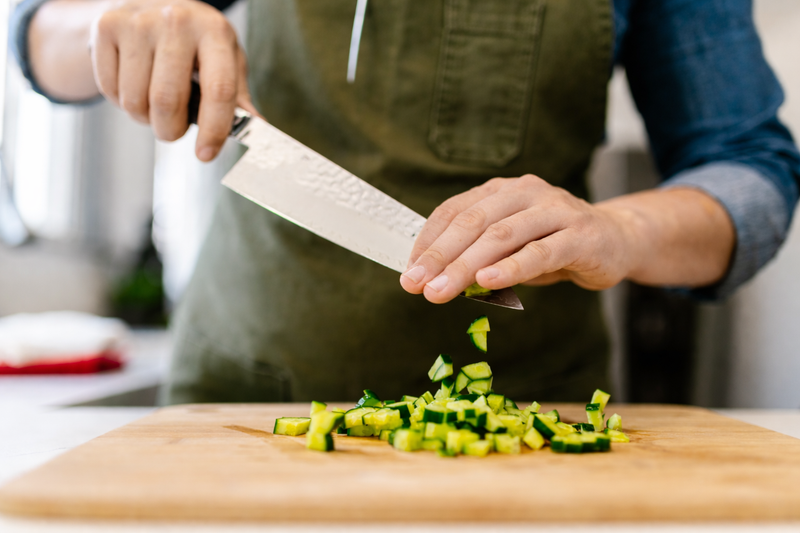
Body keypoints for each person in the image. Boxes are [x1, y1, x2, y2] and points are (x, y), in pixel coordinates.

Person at [11, 0, 800, 403]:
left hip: (528, 419)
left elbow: (749, 165)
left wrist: (619, 229)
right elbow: (38, 30)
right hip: (243, 403)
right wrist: (104, 27)